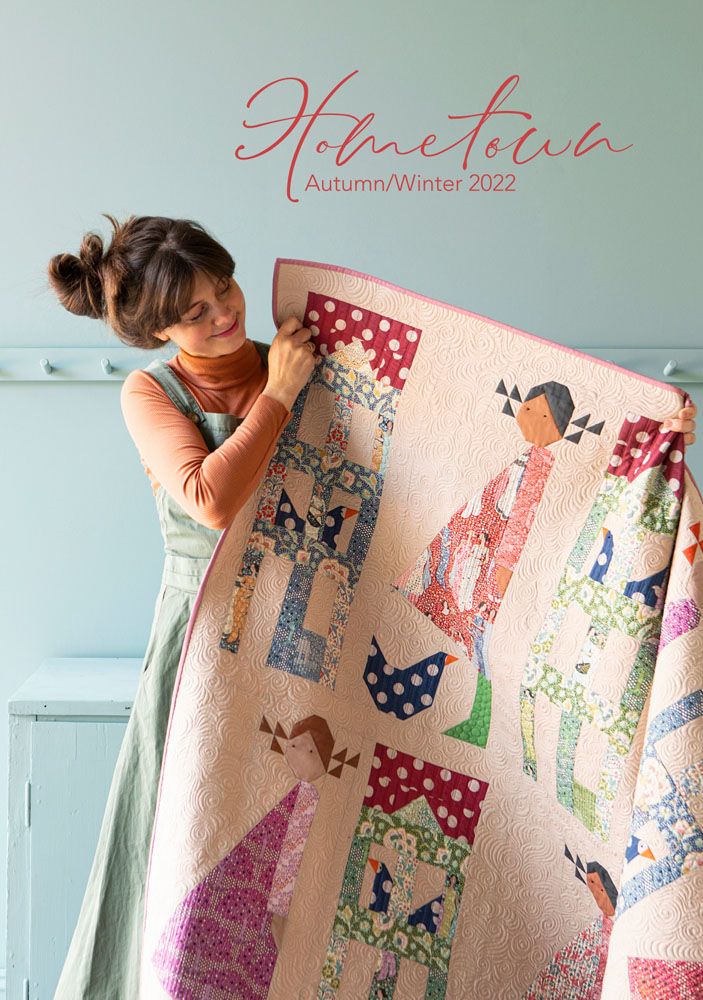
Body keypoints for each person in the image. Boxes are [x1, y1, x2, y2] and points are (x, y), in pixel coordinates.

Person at [46, 213, 315, 999]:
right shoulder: (151, 390)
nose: (224, 313)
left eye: (223, 289)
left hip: (298, 628)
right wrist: (280, 394)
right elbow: (209, 498)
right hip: (200, 639)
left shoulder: (289, 357)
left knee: (296, 841)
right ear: (158, 328)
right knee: (178, 833)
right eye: (194, 311)